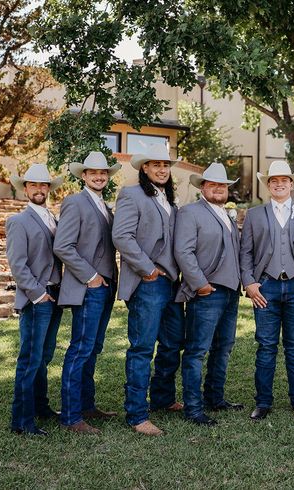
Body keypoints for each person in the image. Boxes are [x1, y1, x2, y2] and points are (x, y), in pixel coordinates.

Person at [240, 160, 294, 422]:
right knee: (265, 346)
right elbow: (246, 253)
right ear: (268, 185)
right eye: (274, 180)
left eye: (284, 180)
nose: (279, 184)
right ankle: (263, 402)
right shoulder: (255, 215)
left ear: (292, 184)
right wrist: (249, 282)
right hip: (265, 286)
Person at [112, 143, 185, 436]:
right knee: (142, 348)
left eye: (166, 165)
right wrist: (148, 269)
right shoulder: (132, 195)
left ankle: (163, 399)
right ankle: (136, 414)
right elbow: (122, 236)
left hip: (172, 284)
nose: (162, 169)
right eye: (156, 165)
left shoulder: (170, 200)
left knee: (172, 343)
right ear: (144, 168)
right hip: (148, 283)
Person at [54, 151, 120, 434]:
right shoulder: (74, 202)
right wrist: (91, 277)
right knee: (80, 349)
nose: (99, 176)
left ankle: (87, 406)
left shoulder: (105, 206)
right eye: (93, 172)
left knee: (93, 348)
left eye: (103, 172)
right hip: (88, 287)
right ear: (83, 175)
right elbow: (63, 246)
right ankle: (70, 417)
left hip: (105, 288)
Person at [175, 162, 243, 426]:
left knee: (223, 348)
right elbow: (183, 251)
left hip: (230, 293)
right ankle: (193, 407)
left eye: (222, 185)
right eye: (213, 184)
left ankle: (215, 398)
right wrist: (200, 284)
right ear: (203, 187)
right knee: (196, 351)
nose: (218, 189)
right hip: (206, 292)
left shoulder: (227, 215)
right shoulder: (190, 213)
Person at [7, 163, 64, 436]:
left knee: (44, 356)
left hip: (55, 295)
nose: (39, 189)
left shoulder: (53, 217)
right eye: (34, 185)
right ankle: (22, 420)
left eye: (44, 185)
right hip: (37, 298)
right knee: (30, 358)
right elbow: (18, 265)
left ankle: (41, 407)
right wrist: (38, 294)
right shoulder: (18, 221)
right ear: (25, 189)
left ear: (49, 189)